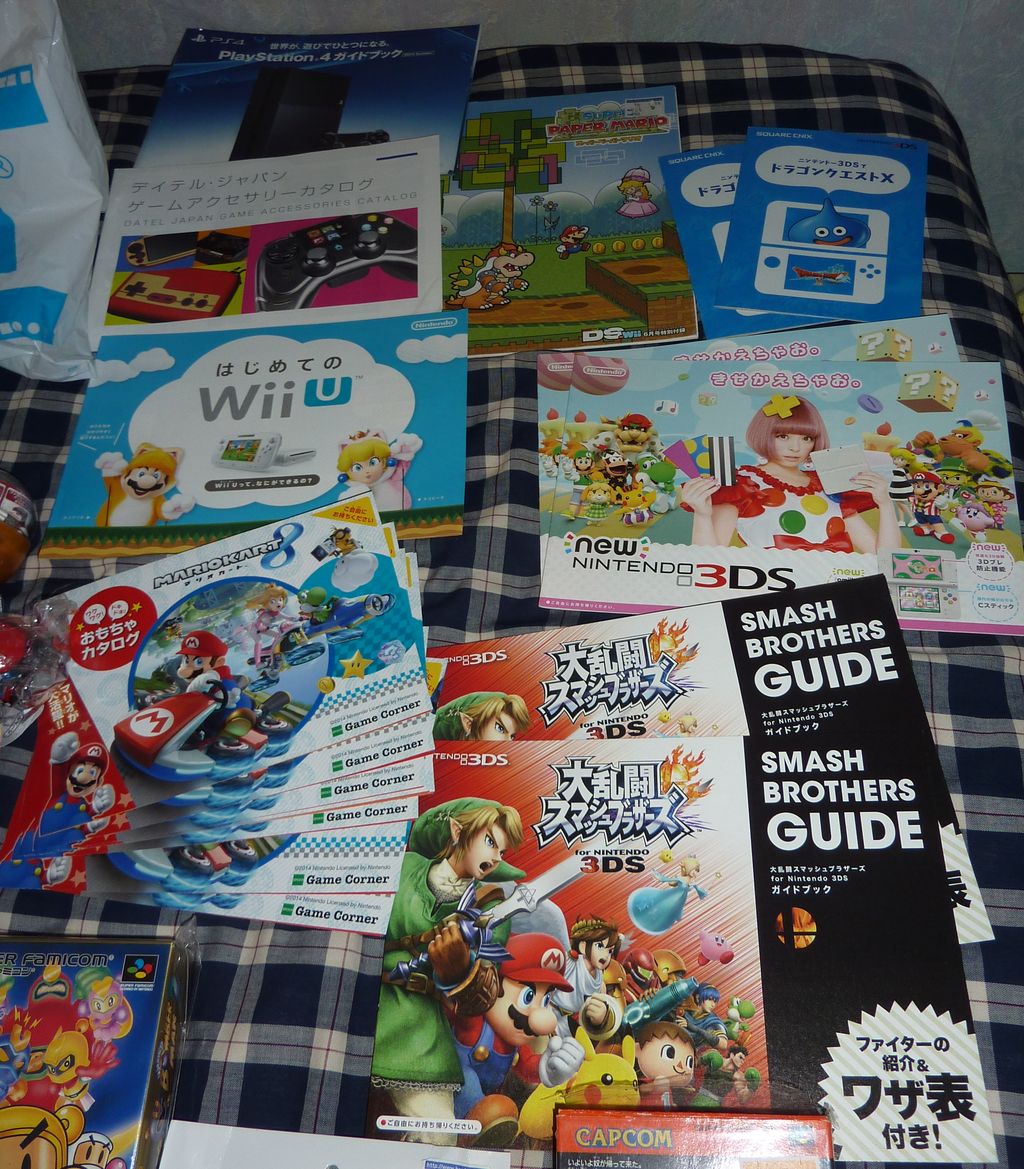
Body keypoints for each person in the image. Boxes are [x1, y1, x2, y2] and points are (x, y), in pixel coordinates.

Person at [679, 396, 899, 554]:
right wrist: (702, 515)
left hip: (834, 591)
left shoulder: (828, 483)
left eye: (806, 438)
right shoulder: (742, 483)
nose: (795, 448)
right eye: (783, 436)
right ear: (764, 434)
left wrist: (885, 504)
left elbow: (883, 558)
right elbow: (709, 561)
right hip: (771, 592)